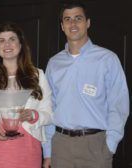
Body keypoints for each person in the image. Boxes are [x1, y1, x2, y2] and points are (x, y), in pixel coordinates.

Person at [42, 1, 130, 168]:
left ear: (88, 22)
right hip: (60, 146)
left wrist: (110, 145)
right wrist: (48, 151)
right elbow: (48, 108)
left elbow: (119, 105)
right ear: (62, 26)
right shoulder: (54, 63)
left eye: (78, 18)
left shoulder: (107, 59)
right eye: (67, 19)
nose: (73, 23)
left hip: (96, 146)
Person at [0, 22, 53, 168]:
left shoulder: (38, 75)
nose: (7, 44)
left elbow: (49, 115)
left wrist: (33, 115)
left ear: (21, 45)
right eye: (2, 40)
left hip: (28, 149)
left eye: (12, 39)